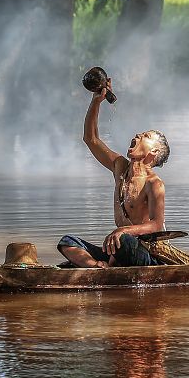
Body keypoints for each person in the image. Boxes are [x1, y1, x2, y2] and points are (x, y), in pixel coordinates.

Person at [58, 77, 170, 268]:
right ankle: (97, 266)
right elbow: (90, 139)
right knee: (67, 242)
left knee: (123, 242)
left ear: (153, 152)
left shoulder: (154, 183)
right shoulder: (120, 167)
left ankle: (100, 265)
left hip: (142, 253)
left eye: (146, 136)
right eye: (140, 134)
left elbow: (157, 225)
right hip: (117, 248)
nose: (137, 135)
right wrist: (96, 101)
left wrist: (123, 231)